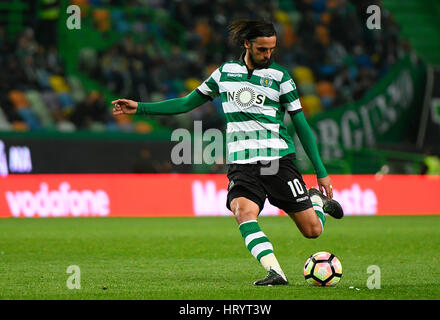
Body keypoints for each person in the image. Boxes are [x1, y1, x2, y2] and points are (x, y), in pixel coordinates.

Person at [111, 19, 343, 286]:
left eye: (271, 49)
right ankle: (275, 272)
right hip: (242, 164)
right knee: (243, 213)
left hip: (278, 161)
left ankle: (315, 201)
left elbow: (301, 125)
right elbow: (186, 103)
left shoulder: (281, 78)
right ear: (247, 44)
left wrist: (321, 173)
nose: (268, 55)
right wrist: (139, 108)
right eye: (262, 49)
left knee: (312, 231)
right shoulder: (224, 73)